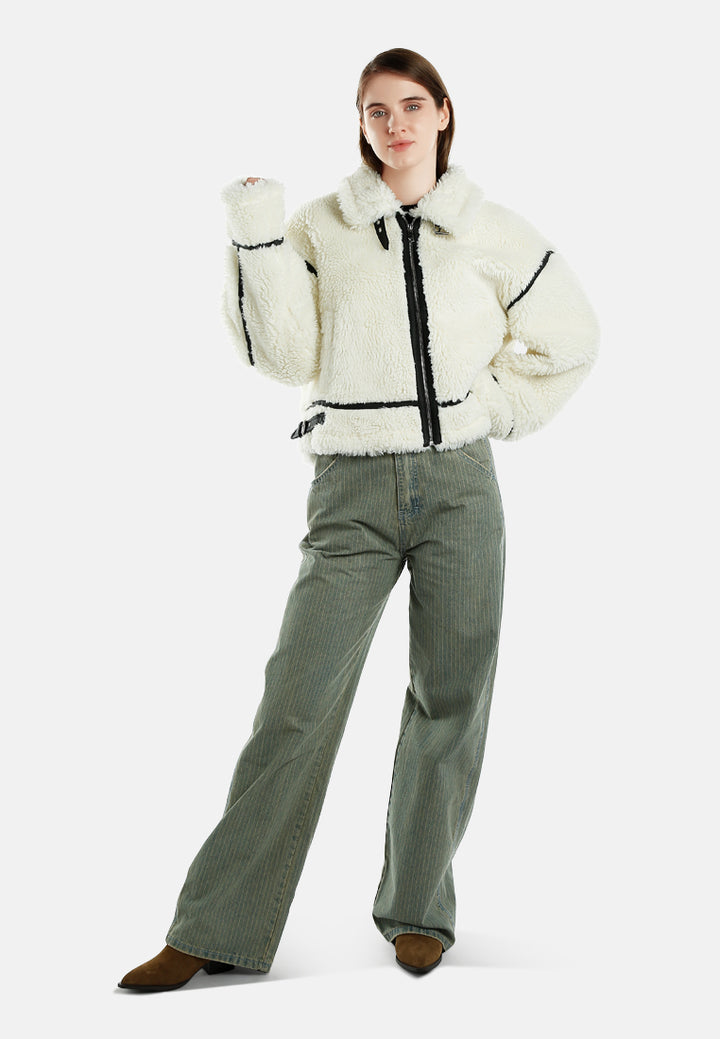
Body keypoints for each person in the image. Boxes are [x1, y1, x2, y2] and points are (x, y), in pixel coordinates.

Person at [118, 47, 599, 991]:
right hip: (350, 489)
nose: (396, 124)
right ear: (362, 122)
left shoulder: (493, 230)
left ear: (444, 112)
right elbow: (284, 355)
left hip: (461, 486)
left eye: (412, 105)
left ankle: (419, 910)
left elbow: (571, 339)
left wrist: (488, 408)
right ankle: (215, 924)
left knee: (450, 699)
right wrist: (255, 233)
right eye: (378, 110)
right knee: (296, 702)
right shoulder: (321, 226)